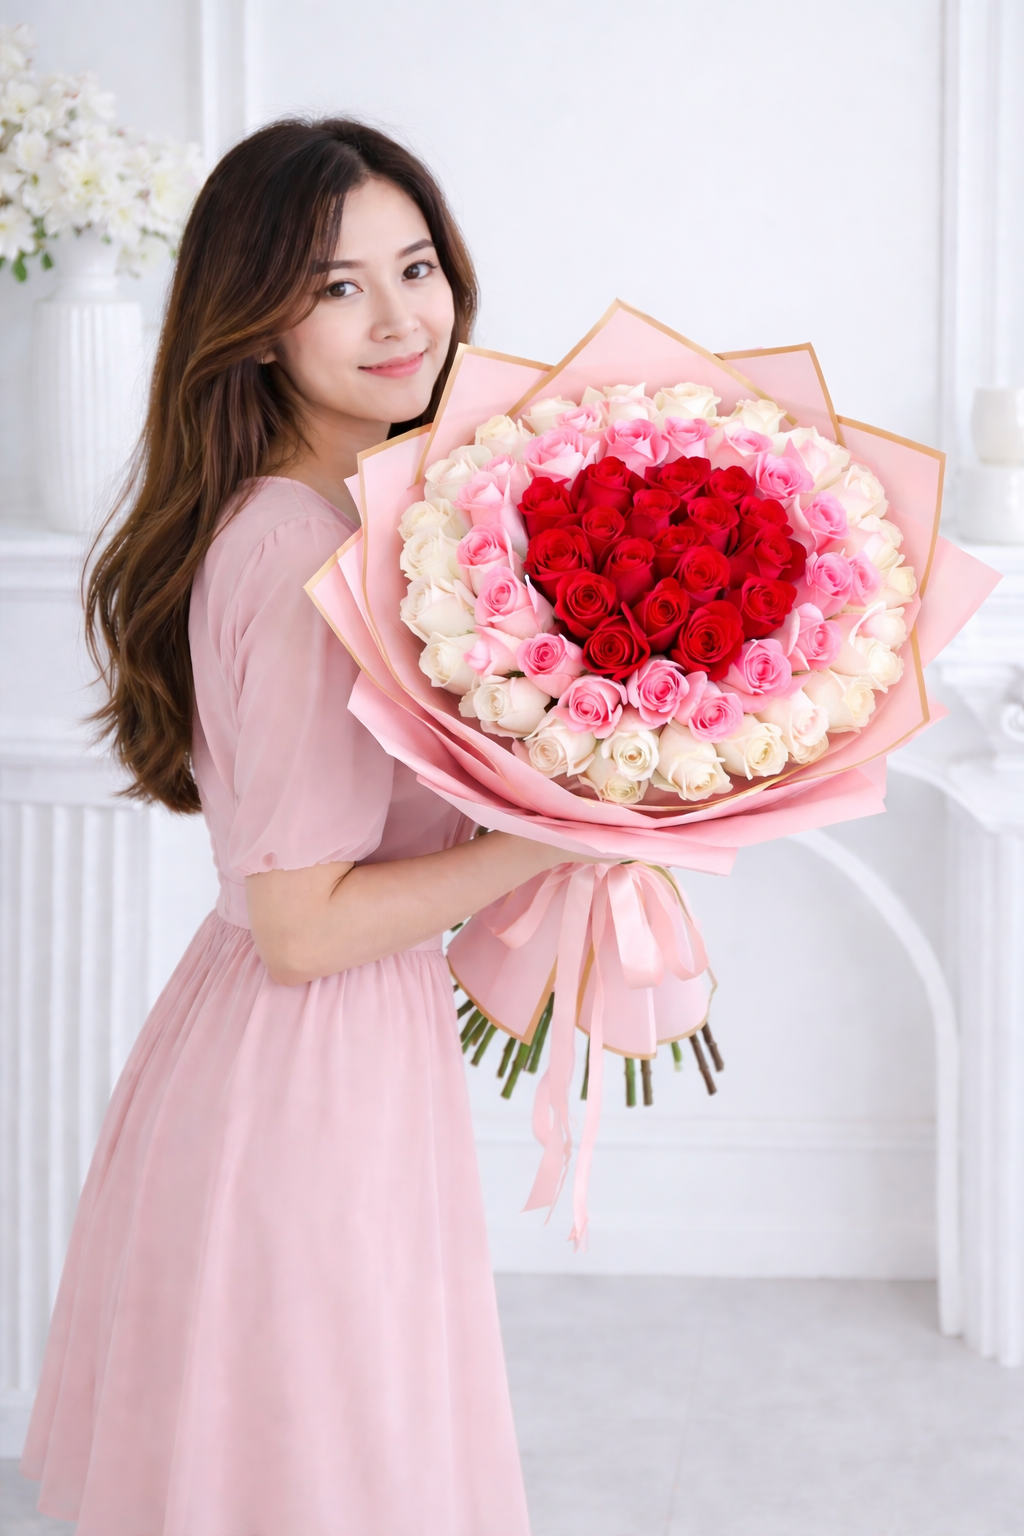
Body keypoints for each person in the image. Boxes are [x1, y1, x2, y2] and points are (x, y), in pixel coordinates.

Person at [20, 117, 580, 1536]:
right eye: (338, 286)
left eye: (416, 267)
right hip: (304, 1073)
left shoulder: (352, 509)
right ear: (256, 321)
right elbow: (302, 925)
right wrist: (567, 831)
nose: (402, 318)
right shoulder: (297, 549)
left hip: (319, 1060)